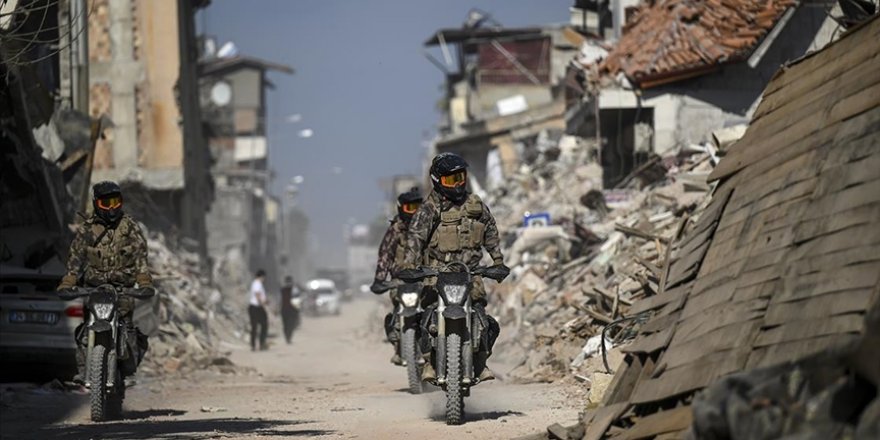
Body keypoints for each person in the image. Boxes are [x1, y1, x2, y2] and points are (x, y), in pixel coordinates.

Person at [402, 153, 508, 383]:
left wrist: (498, 263)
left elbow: (491, 231)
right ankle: (429, 361)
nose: (458, 184)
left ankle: (480, 364)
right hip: (436, 277)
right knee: (424, 319)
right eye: (451, 180)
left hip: (470, 276)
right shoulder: (429, 209)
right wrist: (410, 267)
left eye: (461, 177)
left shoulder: (476, 204)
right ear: (438, 180)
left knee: (488, 323)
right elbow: (415, 240)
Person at [57, 181, 156, 384]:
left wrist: (144, 283)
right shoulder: (87, 230)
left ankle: (128, 367)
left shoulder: (130, 227)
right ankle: (85, 370)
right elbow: (75, 258)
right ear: (96, 204)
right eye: (106, 203)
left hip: (123, 290)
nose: (111, 208)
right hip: (94, 289)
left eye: (115, 202)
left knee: (128, 329)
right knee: (84, 331)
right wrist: (68, 283)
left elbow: (140, 258)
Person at [370, 188, 422, 365]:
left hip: (425, 278)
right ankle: (399, 345)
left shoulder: (428, 227)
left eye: (417, 208)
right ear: (401, 209)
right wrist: (379, 279)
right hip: (400, 281)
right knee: (395, 312)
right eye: (409, 208)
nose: (414, 213)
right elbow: (385, 255)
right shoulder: (395, 230)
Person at [248, 269, 269, 351]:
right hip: (256, 307)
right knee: (263, 324)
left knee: (255, 326)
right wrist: (262, 303)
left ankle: (255, 344)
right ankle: (260, 343)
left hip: (255, 307)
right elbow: (257, 294)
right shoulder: (257, 283)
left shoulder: (256, 283)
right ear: (262, 276)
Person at [279, 275, 302, 344]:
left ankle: (288, 337)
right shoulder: (293, 289)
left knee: (287, 325)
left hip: (286, 309)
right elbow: (296, 301)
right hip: (290, 310)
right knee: (289, 325)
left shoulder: (284, 290)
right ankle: (288, 338)